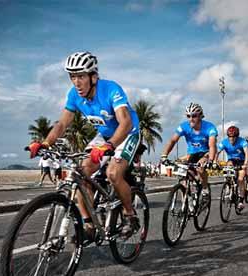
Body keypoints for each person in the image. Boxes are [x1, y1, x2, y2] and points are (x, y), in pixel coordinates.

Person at [28, 51, 141, 243]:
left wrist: (109, 146)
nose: (76, 82)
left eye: (81, 76)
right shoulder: (74, 95)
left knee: (113, 173)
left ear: (93, 76)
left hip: (127, 134)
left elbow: (125, 122)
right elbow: (62, 124)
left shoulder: (111, 89)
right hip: (104, 135)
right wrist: (46, 142)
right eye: (72, 77)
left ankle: (131, 216)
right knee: (79, 174)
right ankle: (88, 226)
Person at [160, 102, 217, 204]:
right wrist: (164, 155)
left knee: (200, 168)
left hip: (206, 152)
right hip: (192, 153)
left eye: (194, 116)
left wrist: (211, 160)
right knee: (187, 174)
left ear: (200, 116)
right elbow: (173, 140)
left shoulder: (209, 127)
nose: (191, 119)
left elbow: (212, 145)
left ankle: (205, 189)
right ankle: (188, 198)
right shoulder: (184, 126)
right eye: (188, 116)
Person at [215, 126, 248, 211]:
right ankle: (228, 186)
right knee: (228, 167)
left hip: (241, 161)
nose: (231, 139)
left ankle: (241, 201)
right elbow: (217, 152)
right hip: (231, 160)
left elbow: (247, 153)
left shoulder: (242, 141)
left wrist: (245, 164)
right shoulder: (224, 142)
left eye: (233, 137)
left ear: (237, 137)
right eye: (229, 137)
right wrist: (215, 162)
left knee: (240, 179)